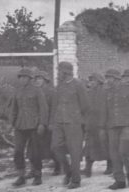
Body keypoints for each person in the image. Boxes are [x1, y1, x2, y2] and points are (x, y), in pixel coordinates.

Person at [102, 69, 129, 190]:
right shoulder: (106, 91)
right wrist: (102, 126)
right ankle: (119, 180)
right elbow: (104, 110)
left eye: (109, 78)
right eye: (107, 78)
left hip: (126, 124)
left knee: (124, 152)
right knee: (114, 154)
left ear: (115, 78)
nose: (107, 80)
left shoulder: (128, 88)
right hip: (112, 125)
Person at [49, 61, 89, 189]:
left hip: (74, 122)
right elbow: (54, 105)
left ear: (66, 72)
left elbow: (85, 105)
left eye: (59, 70)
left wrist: (78, 118)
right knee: (55, 147)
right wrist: (52, 121)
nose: (58, 73)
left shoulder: (78, 85)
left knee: (75, 151)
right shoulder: (59, 86)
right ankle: (68, 171)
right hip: (59, 122)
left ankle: (76, 180)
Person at [9, 68, 48, 187]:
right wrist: (12, 124)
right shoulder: (17, 91)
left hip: (34, 125)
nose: (22, 79)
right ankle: (21, 176)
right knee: (18, 151)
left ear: (30, 79)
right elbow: (13, 109)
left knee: (35, 152)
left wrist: (42, 123)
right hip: (20, 125)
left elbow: (43, 108)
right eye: (20, 77)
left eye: (25, 77)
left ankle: (37, 175)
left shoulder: (37, 90)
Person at [25, 71, 61, 180]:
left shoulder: (51, 92)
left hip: (48, 125)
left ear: (46, 80)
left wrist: (50, 123)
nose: (37, 81)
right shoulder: (33, 91)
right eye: (36, 79)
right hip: (35, 124)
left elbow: (54, 109)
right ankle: (34, 170)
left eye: (40, 79)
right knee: (32, 149)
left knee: (51, 148)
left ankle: (58, 166)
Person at [82, 73, 112, 177]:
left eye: (93, 80)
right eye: (90, 81)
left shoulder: (105, 92)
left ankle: (110, 165)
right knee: (89, 147)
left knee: (105, 145)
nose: (91, 83)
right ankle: (88, 168)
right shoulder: (88, 93)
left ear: (99, 81)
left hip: (103, 124)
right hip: (91, 124)